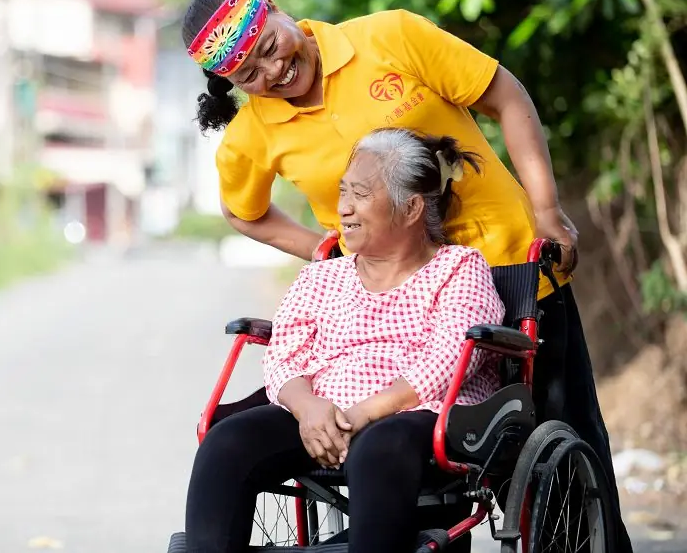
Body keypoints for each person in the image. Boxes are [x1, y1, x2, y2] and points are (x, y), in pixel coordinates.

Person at [181, 0, 632, 551]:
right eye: (250, 74)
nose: (273, 71)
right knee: (254, 447)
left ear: (273, 8)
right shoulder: (254, 136)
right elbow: (243, 212)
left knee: (565, 455)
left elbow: (505, 96)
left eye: (271, 47)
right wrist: (328, 252)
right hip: (375, 286)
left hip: (510, 268)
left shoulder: (390, 36)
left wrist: (546, 210)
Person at [185, 129, 503, 553]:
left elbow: (448, 360)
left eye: (360, 194)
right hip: (321, 414)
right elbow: (284, 357)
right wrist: (308, 408)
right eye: (342, 192)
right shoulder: (322, 276)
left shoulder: (459, 268)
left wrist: (362, 414)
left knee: (378, 449)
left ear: (411, 208)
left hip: (418, 413)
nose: (343, 208)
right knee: (226, 444)